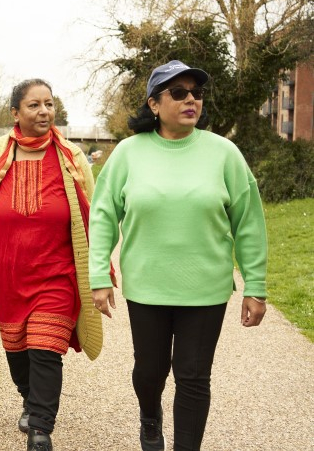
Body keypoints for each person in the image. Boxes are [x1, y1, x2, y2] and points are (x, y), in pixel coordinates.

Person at [89, 60, 268, 451]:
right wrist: (99, 276)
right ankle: (150, 417)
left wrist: (256, 286)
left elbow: (249, 223)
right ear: (154, 104)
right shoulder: (127, 153)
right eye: (179, 92)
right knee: (150, 371)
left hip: (205, 288)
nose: (191, 100)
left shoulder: (225, 154)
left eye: (197, 93)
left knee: (193, 376)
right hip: (147, 285)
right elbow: (102, 216)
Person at [0, 78, 108, 451]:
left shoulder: (72, 156)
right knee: (18, 349)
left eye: (49, 104)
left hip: (57, 274)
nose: (44, 111)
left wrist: (100, 268)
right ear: (15, 113)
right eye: (34, 105)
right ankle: (29, 396)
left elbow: (97, 216)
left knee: (46, 348)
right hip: (6, 274)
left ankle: (41, 429)